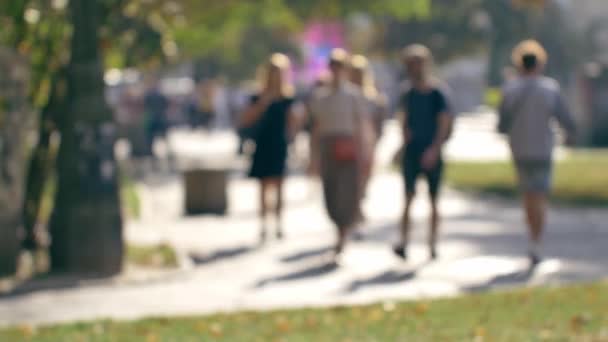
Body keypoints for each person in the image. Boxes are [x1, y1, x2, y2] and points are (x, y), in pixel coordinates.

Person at [498, 40, 576, 266]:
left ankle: (532, 236)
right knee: (540, 196)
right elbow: (564, 118)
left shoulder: (510, 89)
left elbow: (502, 124)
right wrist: (571, 134)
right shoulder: (550, 88)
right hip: (543, 148)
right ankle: (536, 241)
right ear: (540, 63)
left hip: (520, 148)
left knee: (527, 196)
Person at [393, 44, 454, 261]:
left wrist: (434, 150)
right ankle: (403, 242)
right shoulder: (407, 93)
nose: (414, 68)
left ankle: (432, 243)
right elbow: (403, 120)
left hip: (432, 150)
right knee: (408, 198)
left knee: (434, 200)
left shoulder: (437, 93)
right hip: (412, 151)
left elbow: (444, 123)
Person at [310, 48, 368, 260]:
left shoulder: (353, 96)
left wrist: (364, 154)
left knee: (347, 192)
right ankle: (339, 227)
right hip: (328, 148)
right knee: (331, 192)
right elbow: (316, 129)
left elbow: (361, 127)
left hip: (348, 148)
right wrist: (313, 157)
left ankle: (342, 234)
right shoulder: (320, 97)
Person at [240, 53, 303, 243]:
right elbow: (247, 119)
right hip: (262, 144)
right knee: (263, 187)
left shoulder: (288, 98)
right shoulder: (258, 96)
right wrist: (264, 102)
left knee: (280, 186)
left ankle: (278, 224)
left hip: (279, 144)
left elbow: (293, 124)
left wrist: (295, 142)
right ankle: (263, 225)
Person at [349, 54, 388, 202]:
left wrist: (376, 139)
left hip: (367, 142)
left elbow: (379, 122)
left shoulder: (374, 98)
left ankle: (359, 201)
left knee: (365, 175)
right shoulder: (347, 96)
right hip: (349, 142)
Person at [143, 78, 169, 155]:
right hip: (157, 118)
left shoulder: (150, 95)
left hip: (155, 118)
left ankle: (151, 151)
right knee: (154, 137)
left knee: (153, 137)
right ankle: (152, 151)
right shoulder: (156, 95)